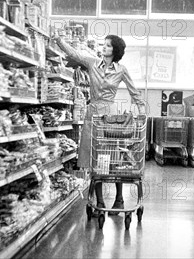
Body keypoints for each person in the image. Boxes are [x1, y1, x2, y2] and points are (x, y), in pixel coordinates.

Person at [55, 34, 146, 215]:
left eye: (109, 46)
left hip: (110, 117)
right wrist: (59, 40)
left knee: (113, 158)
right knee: (94, 159)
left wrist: (142, 110)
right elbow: (75, 54)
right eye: (104, 45)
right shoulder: (92, 63)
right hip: (92, 114)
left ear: (116, 51)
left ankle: (119, 199)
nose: (104, 48)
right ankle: (100, 201)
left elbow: (133, 91)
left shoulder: (121, 70)